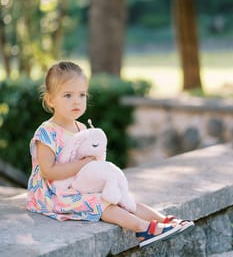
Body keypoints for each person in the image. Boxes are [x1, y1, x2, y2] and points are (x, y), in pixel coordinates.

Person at [27, 61, 194, 248]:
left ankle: (166, 221)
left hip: (78, 184)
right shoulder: (47, 132)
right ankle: (143, 228)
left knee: (122, 198)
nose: (77, 101)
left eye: (82, 95)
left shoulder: (81, 128)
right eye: (67, 95)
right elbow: (48, 172)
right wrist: (83, 164)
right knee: (101, 201)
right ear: (51, 100)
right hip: (52, 194)